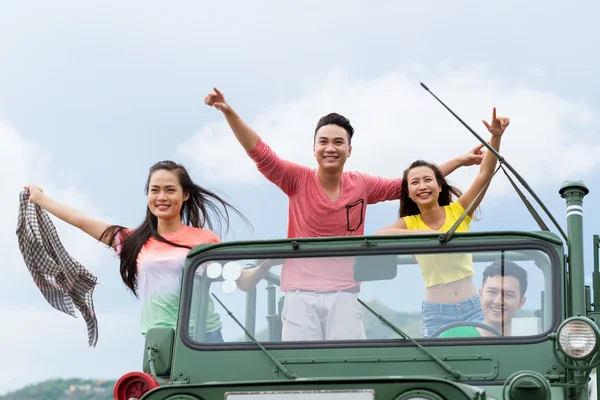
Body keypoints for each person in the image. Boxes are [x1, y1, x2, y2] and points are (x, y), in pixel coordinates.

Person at [204, 87, 486, 342]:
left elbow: (409, 185)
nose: (330, 148)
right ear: (313, 148)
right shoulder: (296, 179)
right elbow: (260, 152)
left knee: (349, 366)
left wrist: (461, 161)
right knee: (301, 371)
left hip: (344, 292)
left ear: (349, 150)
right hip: (300, 294)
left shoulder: (360, 184)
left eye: (338, 142)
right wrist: (230, 113)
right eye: (323, 141)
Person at [24, 160, 252, 342]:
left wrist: (271, 261)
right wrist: (40, 198)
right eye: (155, 190)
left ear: (185, 195)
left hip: (204, 338)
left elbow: (243, 282)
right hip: (158, 340)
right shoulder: (133, 241)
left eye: (170, 190)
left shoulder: (204, 239)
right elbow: (81, 220)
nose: (161, 197)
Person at [375, 107, 510, 337]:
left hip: (472, 308)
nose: (422, 186)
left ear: (440, 185)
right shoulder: (409, 223)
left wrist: (495, 137)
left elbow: (484, 175)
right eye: (415, 182)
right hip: (436, 313)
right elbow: (379, 236)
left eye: (428, 180)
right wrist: (426, 238)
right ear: (408, 192)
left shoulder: (459, 211)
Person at [438, 259, 528, 338]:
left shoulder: (526, 347)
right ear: (480, 295)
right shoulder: (452, 336)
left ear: (521, 302)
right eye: (492, 292)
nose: (498, 301)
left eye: (508, 295)